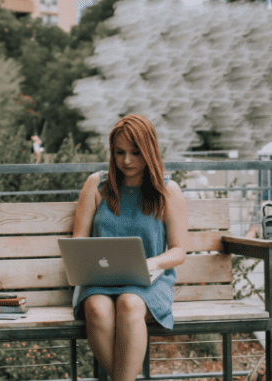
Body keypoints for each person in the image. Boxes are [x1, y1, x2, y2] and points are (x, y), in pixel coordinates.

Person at [71, 114, 188, 381]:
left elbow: (179, 250)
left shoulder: (168, 191)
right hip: (99, 280)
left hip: (148, 282)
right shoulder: (96, 186)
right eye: (119, 152)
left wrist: (153, 263)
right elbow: (79, 239)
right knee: (97, 309)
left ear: (150, 150)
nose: (126, 161)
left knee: (130, 303)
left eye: (136, 153)